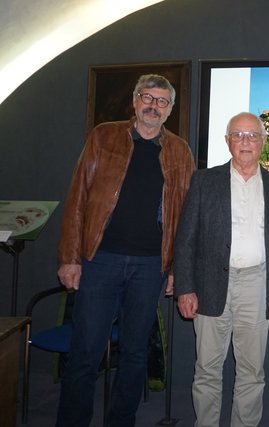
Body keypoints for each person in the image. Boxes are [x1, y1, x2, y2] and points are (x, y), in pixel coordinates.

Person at [56, 74, 195, 426]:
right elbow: (78, 198)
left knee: (134, 353)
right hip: (101, 260)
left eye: (162, 101)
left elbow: (184, 216)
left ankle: (122, 421)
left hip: (151, 266)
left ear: (170, 110)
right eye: (147, 98)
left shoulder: (179, 151)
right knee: (86, 351)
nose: (153, 106)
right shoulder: (104, 136)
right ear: (134, 101)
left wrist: (178, 269)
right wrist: (70, 257)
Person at [173, 112, 269, 427]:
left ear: (263, 142)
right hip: (209, 283)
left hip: (257, 284)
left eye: (252, 135)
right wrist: (185, 287)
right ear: (227, 142)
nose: (245, 142)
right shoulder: (203, 181)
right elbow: (184, 239)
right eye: (238, 135)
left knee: (252, 372)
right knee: (207, 369)